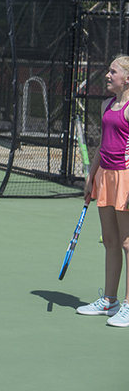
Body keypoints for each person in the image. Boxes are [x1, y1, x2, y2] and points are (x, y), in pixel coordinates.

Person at [78, 55, 129, 327]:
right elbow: (102, 145)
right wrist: (91, 177)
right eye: (108, 71)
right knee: (110, 241)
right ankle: (109, 301)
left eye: (113, 71)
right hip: (106, 177)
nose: (107, 75)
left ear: (128, 78)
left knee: (127, 243)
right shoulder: (107, 105)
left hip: (126, 178)